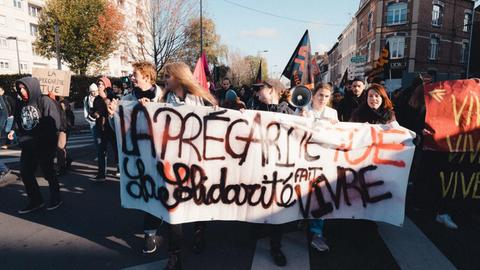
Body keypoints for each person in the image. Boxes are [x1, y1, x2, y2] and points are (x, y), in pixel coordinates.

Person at [251, 79, 291, 267]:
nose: (257, 92)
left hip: (280, 168)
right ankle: (260, 227)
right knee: (259, 201)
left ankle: (276, 246)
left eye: (260, 89)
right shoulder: (254, 107)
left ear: (272, 90)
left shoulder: (289, 111)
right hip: (259, 166)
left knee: (276, 208)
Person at [8, 77, 62, 213]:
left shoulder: (44, 101)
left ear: (31, 87)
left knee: (48, 172)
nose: (22, 91)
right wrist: (14, 131)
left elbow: (54, 123)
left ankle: (56, 197)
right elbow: (18, 121)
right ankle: (36, 200)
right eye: (19, 88)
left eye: (24, 87)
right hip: (28, 145)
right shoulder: (20, 104)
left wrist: (47, 142)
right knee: (26, 173)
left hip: (44, 145)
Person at [297, 83, 338, 253]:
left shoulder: (332, 113)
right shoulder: (302, 109)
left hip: (323, 159)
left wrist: (336, 126)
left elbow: (336, 136)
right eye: (320, 95)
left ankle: (317, 233)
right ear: (313, 95)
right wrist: (299, 117)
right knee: (302, 192)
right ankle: (302, 218)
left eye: (326, 96)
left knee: (321, 194)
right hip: (303, 159)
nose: (323, 99)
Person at [91, 76, 119, 181]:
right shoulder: (97, 98)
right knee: (101, 151)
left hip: (111, 128)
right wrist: (94, 113)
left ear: (106, 85)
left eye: (101, 84)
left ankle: (120, 168)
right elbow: (94, 110)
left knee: (116, 150)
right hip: (100, 127)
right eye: (98, 84)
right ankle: (101, 174)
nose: (99, 86)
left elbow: (112, 108)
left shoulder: (112, 96)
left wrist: (104, 98)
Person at [84, 83, 100, 158]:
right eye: (92, 91)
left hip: (100, 120)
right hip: (92, 121)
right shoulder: (87, 98)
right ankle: (99, 153)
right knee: (95, 139)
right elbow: (86, 108)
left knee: (101, 139)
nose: (94, 93)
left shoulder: (100, 97)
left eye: (95, 91)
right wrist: (87, 118)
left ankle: (103, 153)